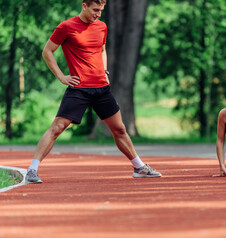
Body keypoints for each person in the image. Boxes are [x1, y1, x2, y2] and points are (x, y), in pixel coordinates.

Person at [25, 0, 161, 183]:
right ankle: (32, 170)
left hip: (102, 89)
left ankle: (139, 167)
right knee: (57, 127)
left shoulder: (102, 26)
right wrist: (61, 77)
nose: (98, 13)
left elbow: (102, 49)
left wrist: (104, 71)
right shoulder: (66, 27)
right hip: (79, 89)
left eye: (101, 10)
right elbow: (47, 51)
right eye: (95, 9)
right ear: (84, 5)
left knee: (120, 129)